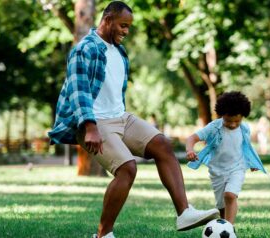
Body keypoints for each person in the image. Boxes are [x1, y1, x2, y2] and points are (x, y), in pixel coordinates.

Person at [47, 2, 218, 238]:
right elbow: (79, 91)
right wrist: (89, 126)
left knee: (163, 144)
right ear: (107, 19)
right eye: (123, 25)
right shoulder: (84, 49)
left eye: (128, 27)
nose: (126, 31)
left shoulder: (119, 50)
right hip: (94, 122)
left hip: (120, 118)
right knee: (127, 168)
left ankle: (184, 213)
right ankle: (103, 234)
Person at [185, 91, 267, 224]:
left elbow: (246, 146)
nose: (233, 124)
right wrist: (190, 150)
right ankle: (224, 227)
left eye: (237, 121)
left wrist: (251, 162)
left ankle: (230, 229)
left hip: (237, 168)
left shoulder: (244, 128)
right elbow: (192, 138)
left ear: (243, 117)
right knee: (222, 207)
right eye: (229, 121)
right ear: (222, 114)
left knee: (230, 195)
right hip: (217, 171)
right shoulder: (214, 127)